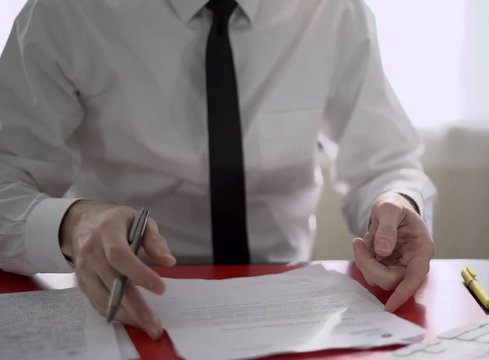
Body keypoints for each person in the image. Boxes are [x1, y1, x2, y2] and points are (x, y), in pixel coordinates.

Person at [0, 0, 436, 339]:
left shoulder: (332, 11)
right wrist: (71, 223)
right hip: (127, 307)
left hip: (291, 313)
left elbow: (385, 163)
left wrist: (397, 203)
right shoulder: (66, 13)